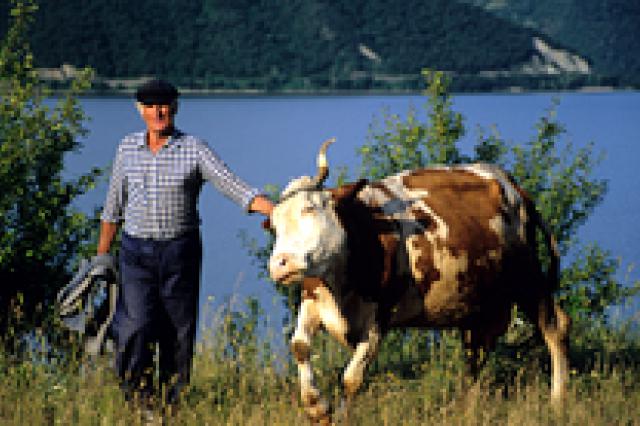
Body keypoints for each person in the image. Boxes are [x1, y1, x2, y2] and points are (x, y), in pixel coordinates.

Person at [97, 79, 273, 407]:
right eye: (150, 106)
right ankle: (137, 397)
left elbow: (232, 186)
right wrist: (100, 258)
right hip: (135, 252)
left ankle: (171, 402)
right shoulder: (126, 148)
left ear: (175, 107)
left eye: (163, 105)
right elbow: (112, 207)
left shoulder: (194, 148)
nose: (157, 112)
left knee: (177, 330)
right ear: (140, 110)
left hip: (180, 252)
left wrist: (277, 212)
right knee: (134, 326)